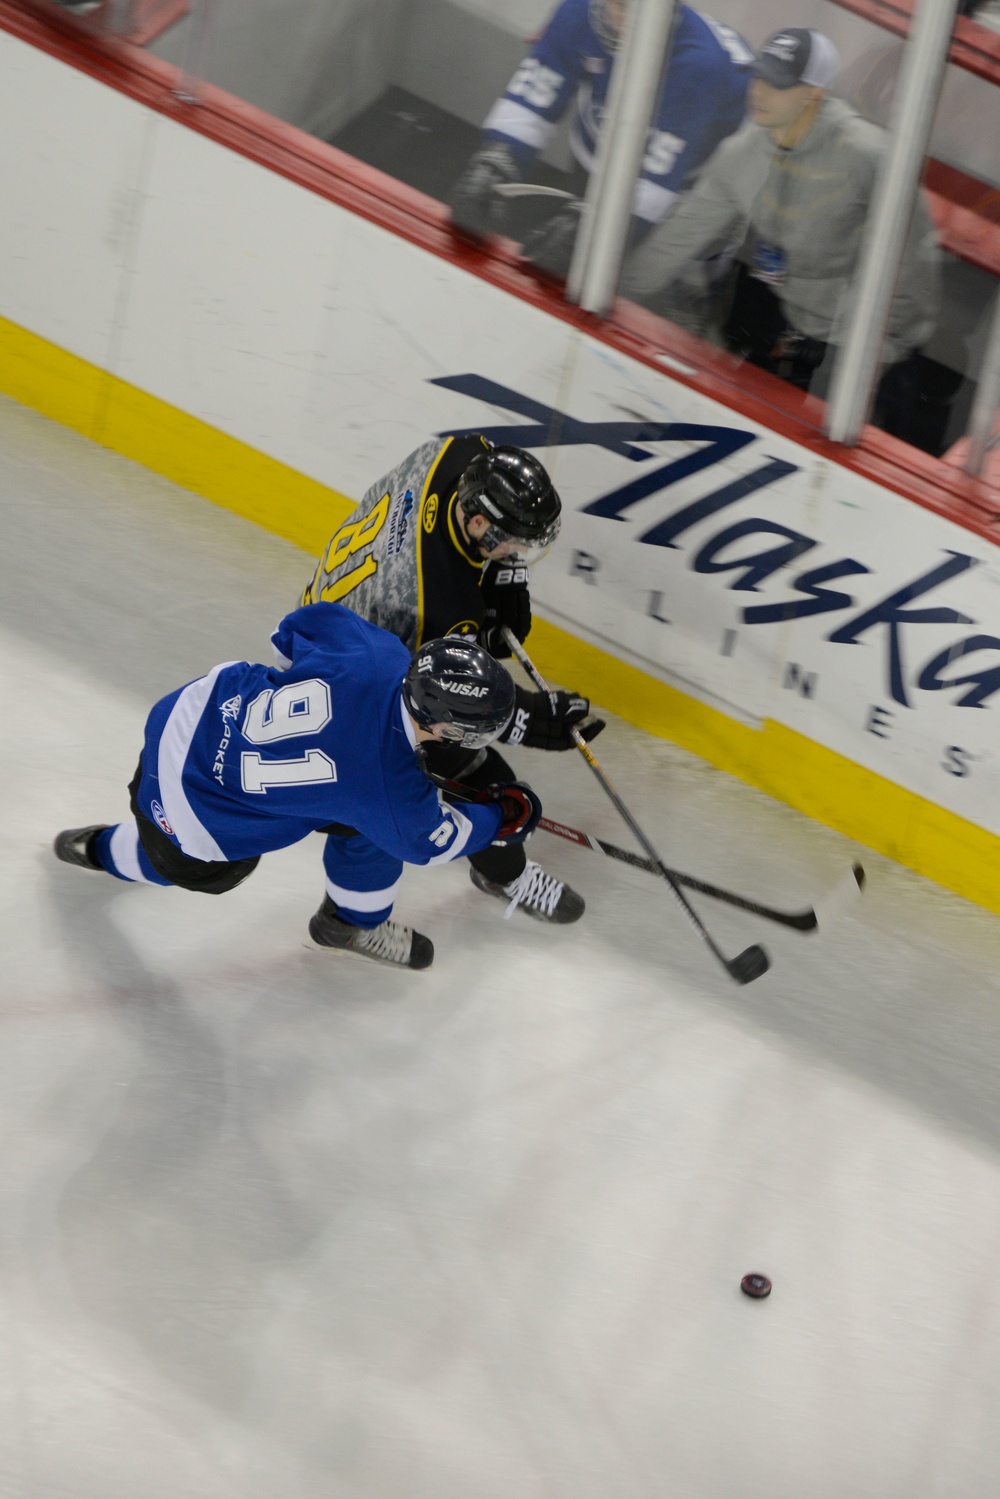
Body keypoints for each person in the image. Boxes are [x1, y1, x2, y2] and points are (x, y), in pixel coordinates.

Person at [53, 604, 545, 971]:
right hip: (191, 812)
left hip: (186, 716)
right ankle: (100, 849)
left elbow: (290, 632)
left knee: (361, 824)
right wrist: (502, 818)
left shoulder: (377, 652)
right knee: (187, 861)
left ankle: (350, 921)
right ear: (442, 725)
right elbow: (435, 842)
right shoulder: (392, 792)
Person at [300, 435, 603, 925]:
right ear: (479, 521)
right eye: (514, 543)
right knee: (485, 779)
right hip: (345, 677)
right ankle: (502, 875)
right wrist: (528, 719)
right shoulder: (433, 604)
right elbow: (446, 694)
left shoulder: (457, 452)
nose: (519, 551)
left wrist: (505, 572)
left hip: (326, 616)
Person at [623, 28, 948, 452]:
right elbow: (675, 241)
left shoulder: (871, 157)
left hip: (871, 349)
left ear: (813, 94)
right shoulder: (741, 153)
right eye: (758, 76)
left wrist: (878, 358)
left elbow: (913, 277)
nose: (758, 91)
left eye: (777, 84)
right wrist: (617, 296)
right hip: (792, 323)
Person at [449, 0, 752, 276]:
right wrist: (499, 157)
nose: (617, 19)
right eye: (615, 4)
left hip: (682, 192)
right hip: (601, 144)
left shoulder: (701, 67)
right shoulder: (581, 8)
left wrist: (599, 228)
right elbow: (537, 91)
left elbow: (656, 182)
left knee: (631, 285)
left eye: (635, 9)